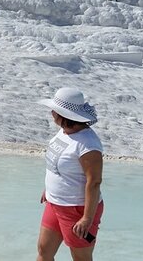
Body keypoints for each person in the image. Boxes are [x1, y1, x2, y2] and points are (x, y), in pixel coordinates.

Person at [36, 87, 104, 261]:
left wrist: (87, 218)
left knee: (80, 258)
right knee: (44, 251)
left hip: (77, 209)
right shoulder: (65, 131)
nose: (52, 112)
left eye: (55, 110)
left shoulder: (88, 145)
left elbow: (94, 182)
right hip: (54, 203)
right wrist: (50, 189)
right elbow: (57, 165)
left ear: (64, 115)